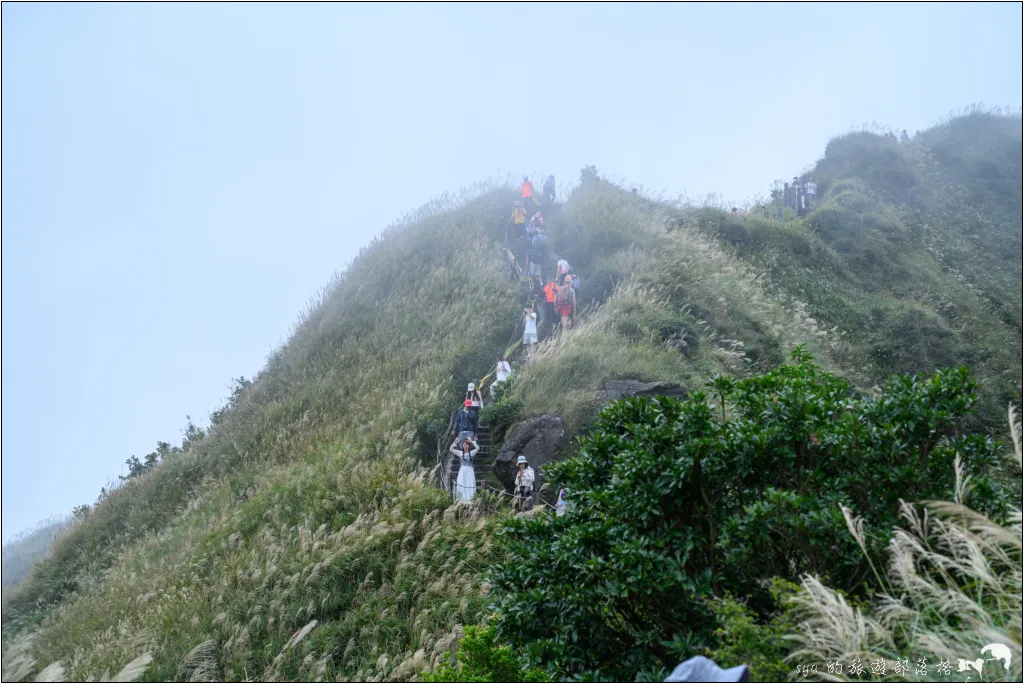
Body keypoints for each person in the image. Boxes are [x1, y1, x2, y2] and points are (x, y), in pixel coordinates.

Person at [450, 437, 479, 502]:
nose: (465, 445)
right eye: (464, 444)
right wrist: (455, 442)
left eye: (466, 444)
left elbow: (478, 448)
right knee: (462, 483)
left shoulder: (471, 453)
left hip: (470, 470)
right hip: (462, 470)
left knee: (470, 483)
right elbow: (451, 449)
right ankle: (462, 498)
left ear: (469, 446)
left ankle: (471, 498)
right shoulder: (460, 453)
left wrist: (472, 442)